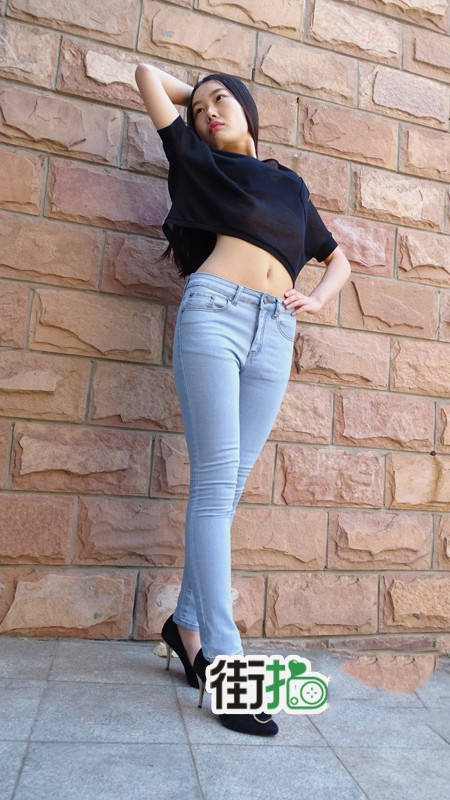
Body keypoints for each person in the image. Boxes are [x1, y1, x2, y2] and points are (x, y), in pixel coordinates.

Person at [135, 64, 351, 736]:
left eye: (222, 100)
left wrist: (317, 299)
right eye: (199, 109)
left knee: (229, 490)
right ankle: (226, 667)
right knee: (213, 487)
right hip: (215, 316)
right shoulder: (198, 162)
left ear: (250, 109)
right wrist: (197, 100)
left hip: (276, 330)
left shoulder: (288, 183)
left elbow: (337, 258)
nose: (208, 113)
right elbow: (145, 76)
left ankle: (185, 625)